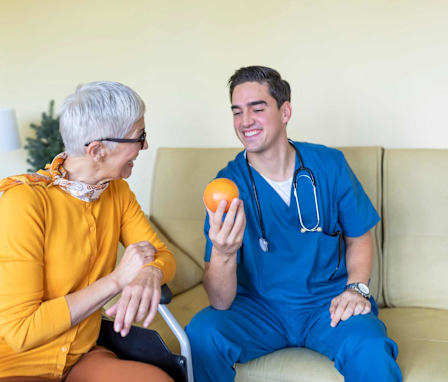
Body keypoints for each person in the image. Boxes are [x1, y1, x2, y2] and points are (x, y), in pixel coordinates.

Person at [186, 66, 402, 382]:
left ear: (285, 111)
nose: (245, 121)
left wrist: (356, 288)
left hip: (327, 307)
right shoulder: (226, 187)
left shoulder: (329, 165)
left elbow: (359, 237)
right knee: (202, 335)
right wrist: (222, 252)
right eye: (237, 112)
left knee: (369, 347)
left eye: (257, 109)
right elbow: (220, 301)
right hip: (259, 311)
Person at [0, 82, 175, 382]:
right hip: (17, 365)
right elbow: (21, 332)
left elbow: (162, 255)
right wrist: (118, 279)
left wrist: (150, 273)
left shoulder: (117, 193)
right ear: (97, 150)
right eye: (138, 137)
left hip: (81, 357)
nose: (145, 146)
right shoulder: (24, 202)